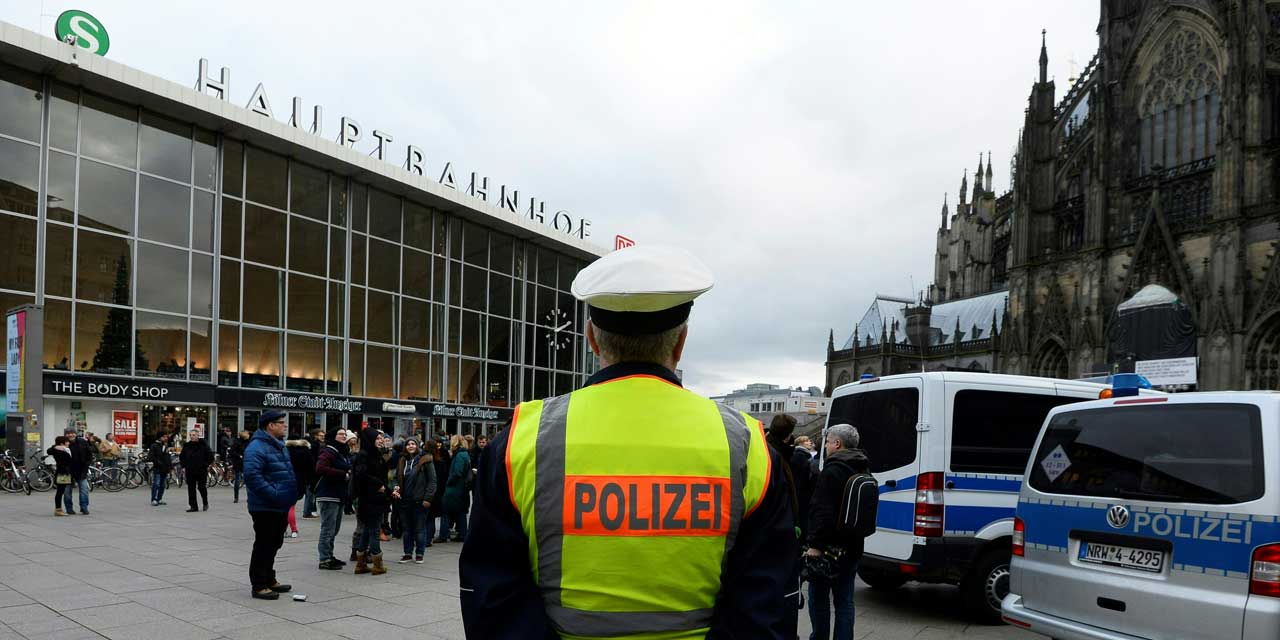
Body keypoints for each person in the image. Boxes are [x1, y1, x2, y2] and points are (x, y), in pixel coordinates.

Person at [459, 245, 797, 638]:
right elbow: (766, 608)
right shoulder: (746, 444)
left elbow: (492, 599)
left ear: (592, 339)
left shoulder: (523, 439)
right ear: (681, 342)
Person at [805, 424, 871, 640]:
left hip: (828, 548)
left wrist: (815, 545)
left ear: (837, 443)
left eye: (828, 442)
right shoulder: (863, 467)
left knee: (818, 598)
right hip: (852, 546)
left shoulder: (833, 470)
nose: (825, 446)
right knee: (845, 601)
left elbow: (822, 511)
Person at [243, 410, 297, 600]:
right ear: (270, 426)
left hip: (279, 504)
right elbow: (252, 476)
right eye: (281, 422)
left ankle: (268, 578)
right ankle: (258, 585)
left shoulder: (278, 444)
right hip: (265, 506)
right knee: (264, 544)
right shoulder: (257, 447)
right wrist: (274, 494)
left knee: (274, 543)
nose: (285, 425)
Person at [351, 427, 391, 575]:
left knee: (368, 530)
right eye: (377, 438)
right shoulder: (364, 455)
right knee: (374, 530)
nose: (380, 441)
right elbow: (362, 475)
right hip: (370, 497)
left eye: (381, 438)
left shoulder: (374, 454)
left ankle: (361, 563)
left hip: (374, 497)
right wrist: (378, 484)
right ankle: (377, 564)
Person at [392, 438, 437, 563]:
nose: (410, 446)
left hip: (419, 500)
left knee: (419, 529)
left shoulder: (426, 460)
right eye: (408, 444)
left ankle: (419, 554)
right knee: (407, 529)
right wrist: (395, 487)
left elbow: (432, 481)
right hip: (404, 500)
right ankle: (407, 553)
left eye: (413, 444)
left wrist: (427, 498)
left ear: (417, 446)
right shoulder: (402, 460)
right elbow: (395, 478)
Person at [316, 427, 352, 570]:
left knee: (334, 528)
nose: (344, 436)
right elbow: (320, 468)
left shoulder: (340, 452)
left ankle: (329, 555)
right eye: (340, 434)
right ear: (333, 436)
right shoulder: (329, 451)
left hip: (338, 494)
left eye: (345, 434)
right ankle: (324, 559)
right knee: (328, 528)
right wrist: (343, 474)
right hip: (328, 494)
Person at [440, 435, 471, 542]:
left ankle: (444, 535)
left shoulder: (459, 455)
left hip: (454, 488)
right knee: (461, 511)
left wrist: (448, 482)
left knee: (446, 511)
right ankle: (462, 534)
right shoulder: (465, 454)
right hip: (461, 488)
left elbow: (457, 472)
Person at [179, 430, 213, 512]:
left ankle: (205, 502)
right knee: (191, 488)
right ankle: (193, 506)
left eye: (194, 435)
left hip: (201, 470)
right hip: (190, 469)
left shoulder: (203, 445)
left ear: (198, 435)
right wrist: (184, 466)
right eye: (191, 435)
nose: (192, 436)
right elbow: (182, 456)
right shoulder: (187, 445)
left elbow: (210, 457)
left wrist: (205, 464)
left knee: (201, 487)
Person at [285, 437, 312, 538]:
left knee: (287, 507)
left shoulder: (284, 450)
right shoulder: (305, 451)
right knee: (291, 506)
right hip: (300, 481)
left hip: (286, 479)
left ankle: (288, 529)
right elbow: (311, 467)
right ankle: (293, 530)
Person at [64, 427, 91, 515]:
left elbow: (89, 455)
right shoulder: (62, 442)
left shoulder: (82, 442)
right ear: (65, 435)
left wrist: (86, 466)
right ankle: (69, 508)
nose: (70, 435)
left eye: (72, 433)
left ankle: (84, 507)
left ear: (75, 434)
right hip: (67, 471)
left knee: (84, 490)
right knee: (67, 492)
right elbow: (50, 451)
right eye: (68, 433)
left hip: (81, 470)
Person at [430, 437, 451, 544]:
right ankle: (434, 534)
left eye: (440, 443)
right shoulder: (432, 455)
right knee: (435, 512)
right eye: (437, 443)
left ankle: (442, 534)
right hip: (437, 486)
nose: (438, 445)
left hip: (441, 486)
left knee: (441, 512)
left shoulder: (444, 454)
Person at [48, 436, 72, 517]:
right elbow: (68, 461)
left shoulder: (65, 450)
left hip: (64, 472)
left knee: (60, 491)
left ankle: (59, 509)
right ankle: (58, 510)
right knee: (60, 492)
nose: (68, 443)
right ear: (62, 443)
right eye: (67, 441)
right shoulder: (60, 451)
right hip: (62, 473)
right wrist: (55, 447)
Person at [303, 429, 323, 519]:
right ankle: (307, 512)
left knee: (310, 493)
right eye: (321, 435)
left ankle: (309, 511)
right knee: (310, 493)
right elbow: (313, 460)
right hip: (312, 473)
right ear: (315, 436)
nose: (323, 437)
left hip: (311, 472)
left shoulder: (314, 445)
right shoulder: (315, 445)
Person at [148, 433, 173, 506]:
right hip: (158, 468)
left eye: (166, 437)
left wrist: (170, 467)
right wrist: (158, 463)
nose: (165, 438)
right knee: (156, 484)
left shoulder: (166, 446)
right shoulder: (154, 446)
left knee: (162, 485)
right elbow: (151, 456)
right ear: (159, 437)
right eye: (163, 437)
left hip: (165, 468)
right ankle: (154, 499)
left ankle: (159, 499)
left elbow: (168, 457)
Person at [229, 430, 249, 503]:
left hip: (243, 462)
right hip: (240, 463)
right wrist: (240, 456)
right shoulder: (240, 442)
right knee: (240, 480)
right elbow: (232, 452)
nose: (248, 435)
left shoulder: (239, 442)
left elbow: (231, 451)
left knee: (243, 480)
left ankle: (238, 497)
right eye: (247, 434)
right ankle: (237, 497)